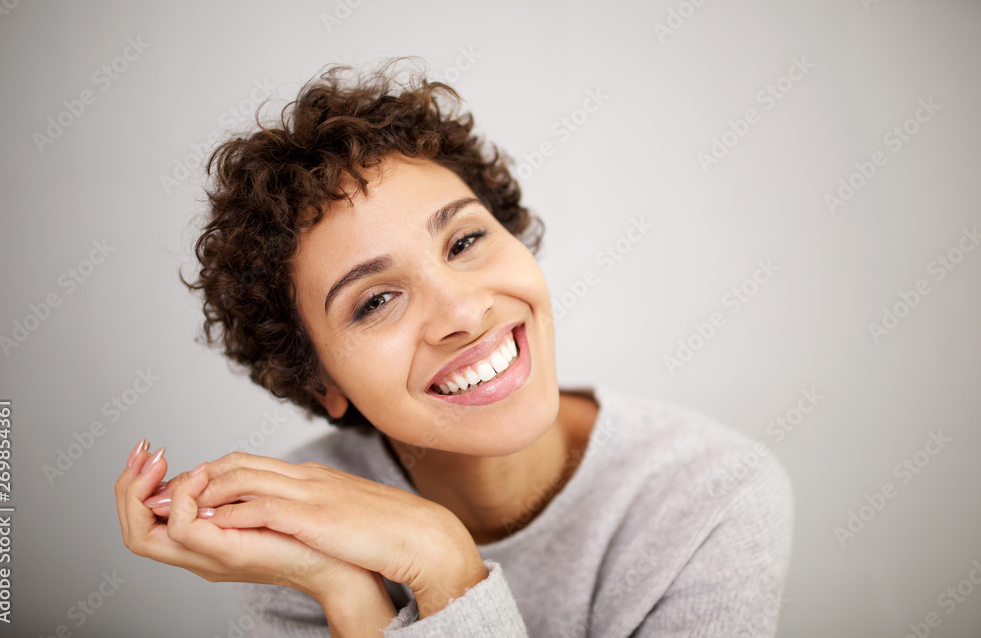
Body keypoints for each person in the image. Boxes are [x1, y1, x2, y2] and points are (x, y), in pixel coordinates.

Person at [114, 60, 794, 636]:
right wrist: (341, 585)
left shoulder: (712, 497)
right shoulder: (296, 521)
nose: (464, 311)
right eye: (376, 300)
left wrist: (443, 566)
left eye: (465, 241)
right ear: (318, 376)